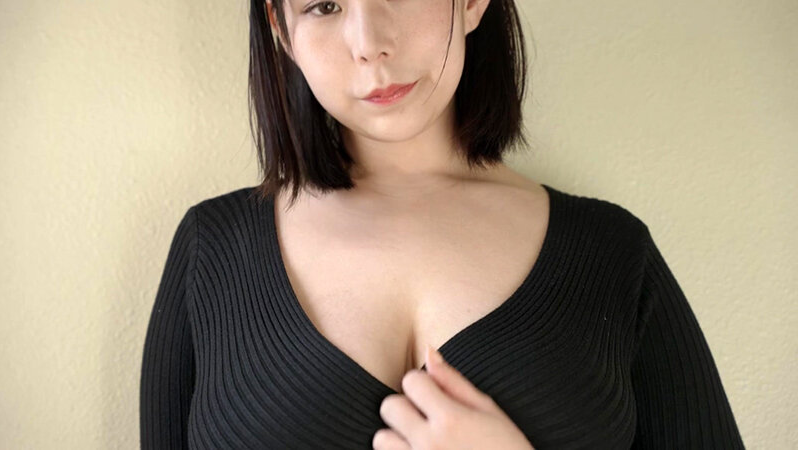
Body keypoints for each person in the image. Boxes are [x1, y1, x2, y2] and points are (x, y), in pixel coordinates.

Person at [139, 0, 746, 448]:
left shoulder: (611, 252)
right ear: (281, 30)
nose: (369, 42)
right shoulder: (211, 249)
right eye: (323, 5)